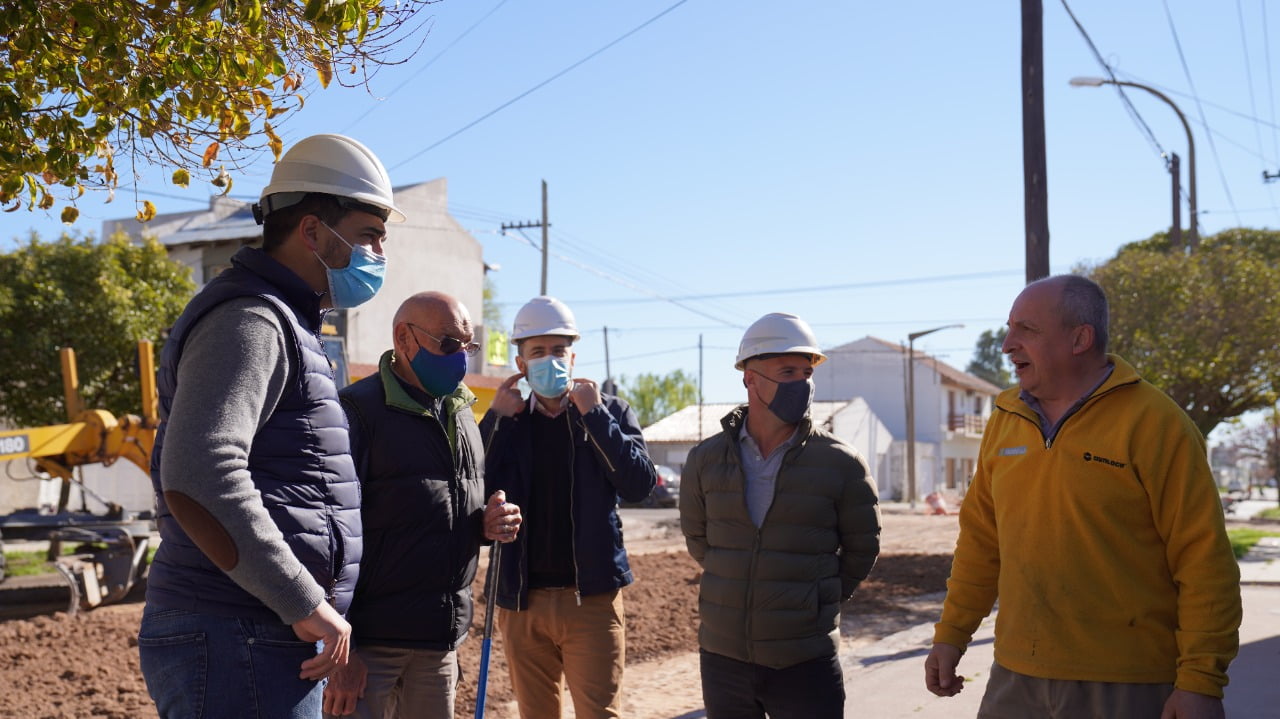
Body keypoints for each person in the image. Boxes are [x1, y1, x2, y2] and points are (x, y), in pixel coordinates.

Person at [138, 134, 404, 718]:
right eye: (368, 235)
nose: (380, 252)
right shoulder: (251, 319)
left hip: (255, 633)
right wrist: (305, 601)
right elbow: (200, 472)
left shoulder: (287, 322)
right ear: (311, 231)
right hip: (236, 634)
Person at [924, 275, 1242, 718]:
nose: (1007, 344)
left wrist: (1201, 681)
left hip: (1129, 682)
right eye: (1009, 328)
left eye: (1026, 330)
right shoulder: (1004, 420)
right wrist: (950, 635)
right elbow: (981, 542)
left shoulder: (1156, 423)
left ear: (1080, 338)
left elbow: (1203, 560)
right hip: (1016, 676)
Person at [320, 292, 522, 718]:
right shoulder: (357, 412)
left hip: (438, 643)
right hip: (370, 648)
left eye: (467, 346)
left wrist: (484, 524)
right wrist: (342, 647)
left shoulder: (463, 413)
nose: (460, 358)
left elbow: (442, 507)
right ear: (403, 339)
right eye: (448, 343)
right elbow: (327, 533)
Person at [680, 312, 881, 719]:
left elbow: (862, 549)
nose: (801, 384)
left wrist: (811, 601)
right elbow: (701, 542)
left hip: (805, 661)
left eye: (806, 373)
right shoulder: (705, 460)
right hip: (723, 660)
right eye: (787, 371)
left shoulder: (841, 463)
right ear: (750, 378)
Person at [479, 295, 657, 719]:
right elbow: (473, 487)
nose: (550, 360)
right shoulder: (510, 421)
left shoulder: (610, 413)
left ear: (573, 357)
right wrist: (496, 421)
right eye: (537, 352)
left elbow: (638, 484)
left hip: (592, 599)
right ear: (520, 363)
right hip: (521, 602)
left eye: (558, 351)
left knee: (600, 714)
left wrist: (595, 415)